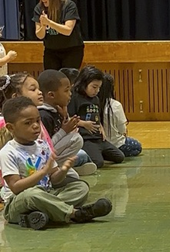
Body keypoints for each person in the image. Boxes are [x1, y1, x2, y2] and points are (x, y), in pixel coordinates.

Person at [0, 96, 112, 230]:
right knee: (32, 195)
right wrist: (43, 172)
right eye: (28, 123)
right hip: (18, 202)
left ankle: (40, 215)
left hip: (46, 194)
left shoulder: (42, 145)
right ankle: (75, 214)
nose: (35, 126)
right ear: (11, 127)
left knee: (81, 187)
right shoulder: (8, 152)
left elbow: (54, 179)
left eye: (37, 120)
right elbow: (16, 187)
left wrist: (63, 170)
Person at [37, 69, 97, 176]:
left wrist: (65, 116)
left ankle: (64, 169)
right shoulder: (44, 115)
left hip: (55, 155)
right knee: (76, 140)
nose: (70, 94)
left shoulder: (57, 110)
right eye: (66, 91)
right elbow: (45, 148)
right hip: (43, 160)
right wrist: (64, 131)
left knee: (76, 172)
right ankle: (53, 171)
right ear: (51, 95)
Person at [68, 66, 124, 168]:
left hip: (98, 138)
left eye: (99, 88)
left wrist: (101, 127)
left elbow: (97, 116)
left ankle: (95, 153)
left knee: (119, 157)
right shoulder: (74, 97)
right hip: (86, 138)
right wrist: (84, 124)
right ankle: (85, 158)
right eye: (94, 87)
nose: (97, 90)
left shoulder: (95, 99)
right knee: (98, 163)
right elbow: (68, 118)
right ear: (84, 83)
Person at [33, 0, 84, 71]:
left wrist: (49, 22)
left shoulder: (68, 6)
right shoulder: (39, 8)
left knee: (68, 77)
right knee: (51, 77)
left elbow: (67, 30)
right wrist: (43, 26)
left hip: (71, 50)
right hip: (51, 51)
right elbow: (39, 35)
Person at [99, 74, 142, 158]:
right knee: (137, 146)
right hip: (117, 144)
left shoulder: (93, 104)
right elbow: (122, 130)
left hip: (99, 145)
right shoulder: (115, 105)